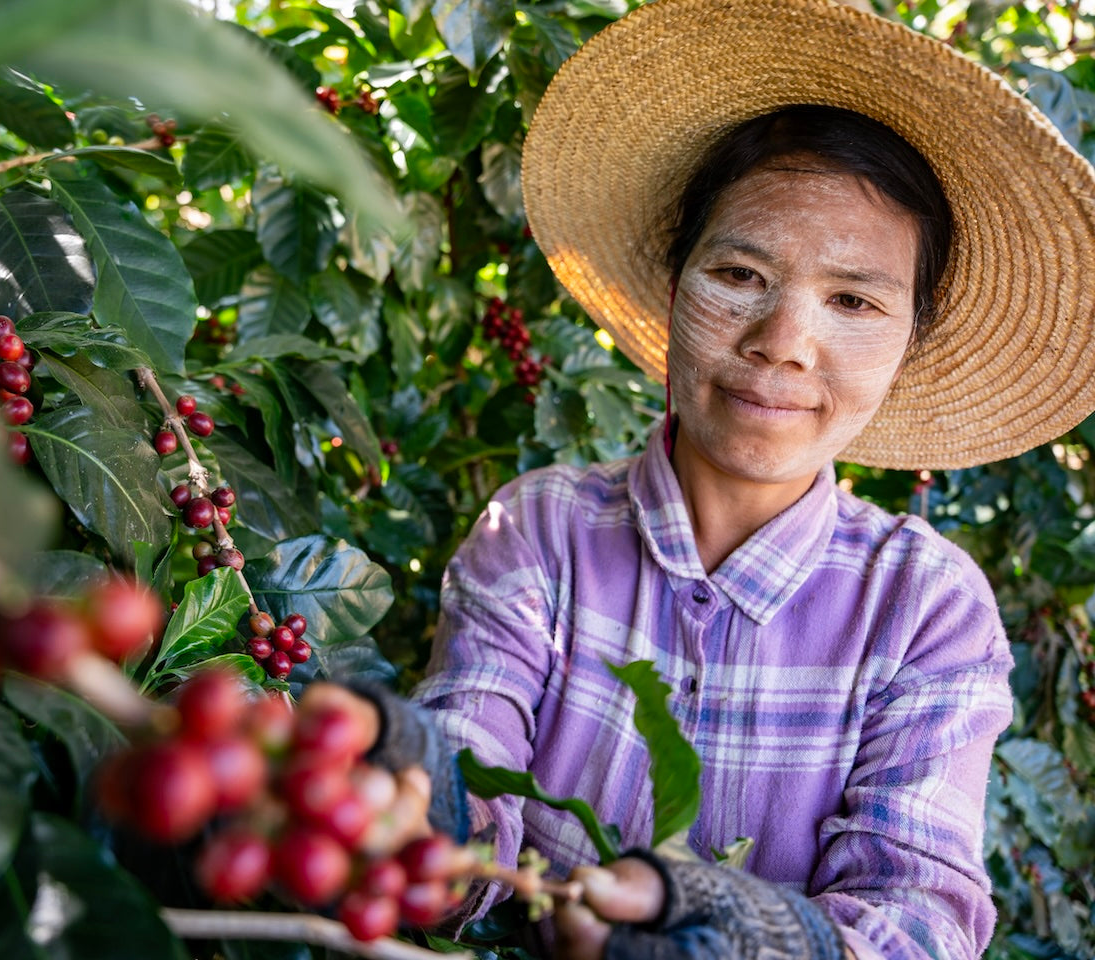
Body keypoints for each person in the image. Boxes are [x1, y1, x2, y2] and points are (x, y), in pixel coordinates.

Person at [312, 0, 1095, 958]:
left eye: (852, 299)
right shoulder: (539, 530)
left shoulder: (926, 609)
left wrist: (761, 934)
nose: (784, 347)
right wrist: (419, 800)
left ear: (909, 342)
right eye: (739, 275)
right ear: (674, 279)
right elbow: (470, 775)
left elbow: (920, 916)